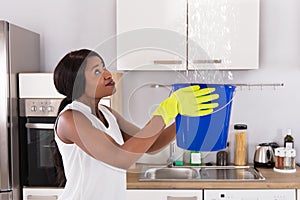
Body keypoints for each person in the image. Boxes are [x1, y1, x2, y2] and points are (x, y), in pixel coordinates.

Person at [53, 48, 219, 199]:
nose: (108, 74)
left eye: (103, 67)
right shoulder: (71, 119)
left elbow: (151, 144)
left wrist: (183, 119)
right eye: (97, 71)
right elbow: (120, 158)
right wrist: (165, 111)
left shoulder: (106, 113)